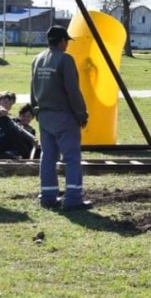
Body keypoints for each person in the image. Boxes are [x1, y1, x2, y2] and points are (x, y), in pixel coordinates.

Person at [31, 25, 92, 211]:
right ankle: (73, 198)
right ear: (61, 41)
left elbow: (32, 90)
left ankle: (48, 196)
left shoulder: (37, 59)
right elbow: (72, 91)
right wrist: (81, 114)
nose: (67, 45)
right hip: (64, 116)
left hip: (44, 115)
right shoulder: (65, 59)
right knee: (72, 158)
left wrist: (37, 111)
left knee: (48, 157)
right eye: (66, 41)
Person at [1, 92, 37, 159]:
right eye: (5, 102)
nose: (8, 105)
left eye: (10, 104)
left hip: (6, 146)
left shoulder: (5, 118)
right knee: (15, 131)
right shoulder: (4, 116)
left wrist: (32, 138)